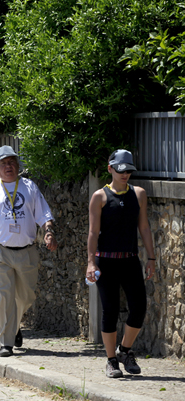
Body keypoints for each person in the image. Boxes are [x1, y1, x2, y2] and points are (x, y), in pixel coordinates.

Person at [0, 145, 57, 357]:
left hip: (26, 250)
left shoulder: (29, 187)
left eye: (12, 163)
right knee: (4, 295)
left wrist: (49, 232)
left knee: (26, 297)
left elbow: (44, 215)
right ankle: (5, 343)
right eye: (4, 164)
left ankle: (14, 326)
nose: (9, 167)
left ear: (18, 165)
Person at [86, 149, 156, 378]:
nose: (125, 174)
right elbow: (93, 233)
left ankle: (124, 350)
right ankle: (111, 360)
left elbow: (144, 227)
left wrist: (151, 257)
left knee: (139, 308)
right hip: (105, 261)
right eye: (120, 170)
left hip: (130, 260)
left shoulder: (139, 194)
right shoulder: (100, 197)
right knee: (110, 310)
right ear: (110, 169)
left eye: (128, 171)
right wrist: (90, 263)